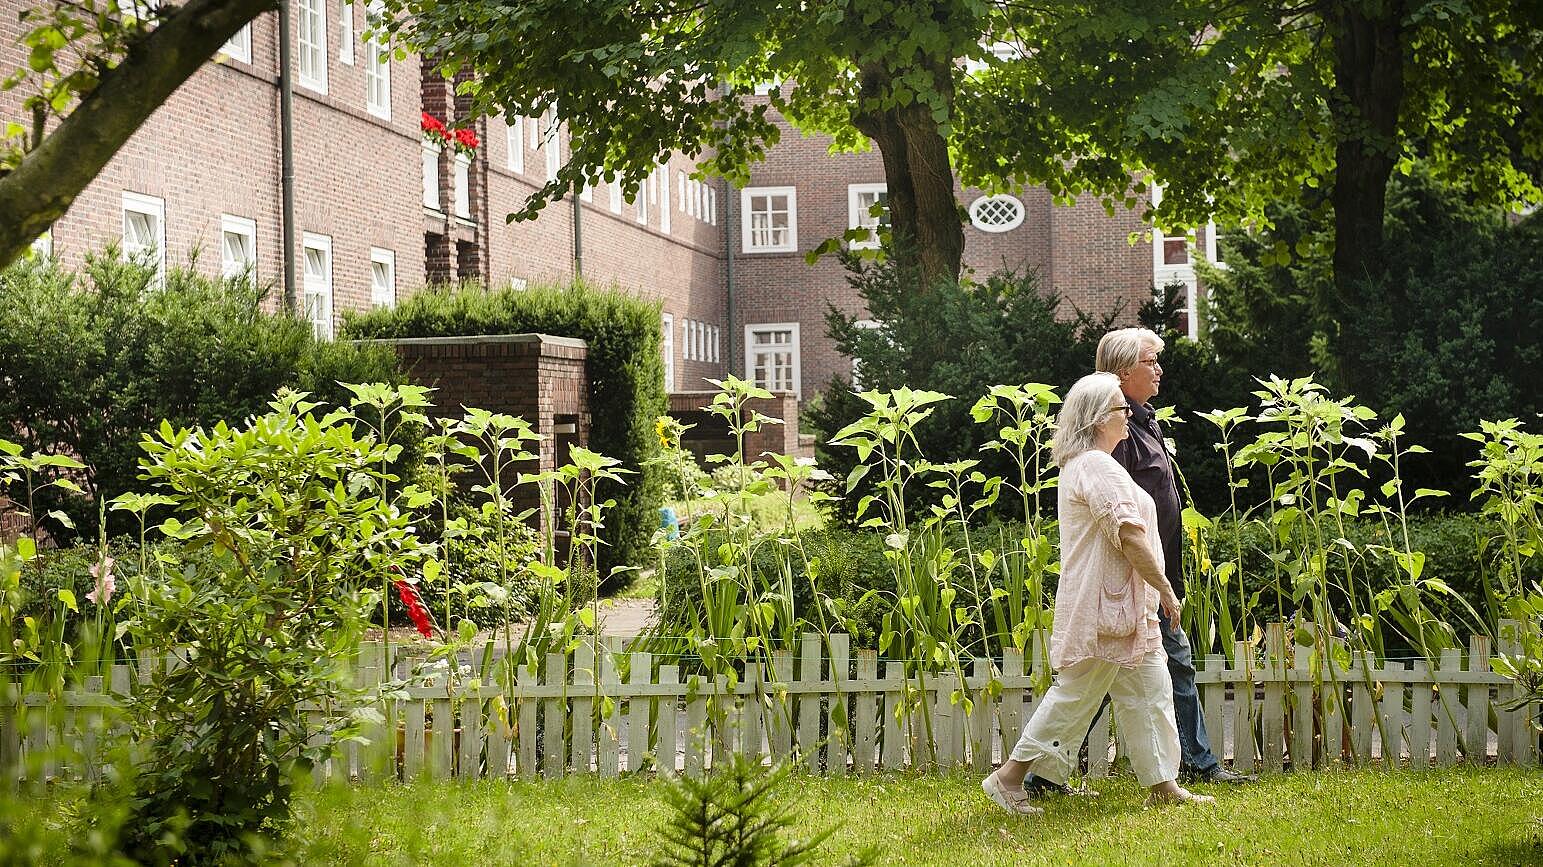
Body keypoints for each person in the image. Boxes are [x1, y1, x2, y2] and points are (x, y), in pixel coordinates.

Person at [982, 372, 1213, 816]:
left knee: (1151, 692)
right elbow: (1127, 534)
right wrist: (1165, 588)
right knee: (1076, 696)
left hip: (1127, 609)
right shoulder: (1096, 466)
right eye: (1119, 410)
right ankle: (1009, 778)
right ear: (1095, 419)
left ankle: (1164, 785)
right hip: (1106, 607)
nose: (1128, 416)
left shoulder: (1091, 465)